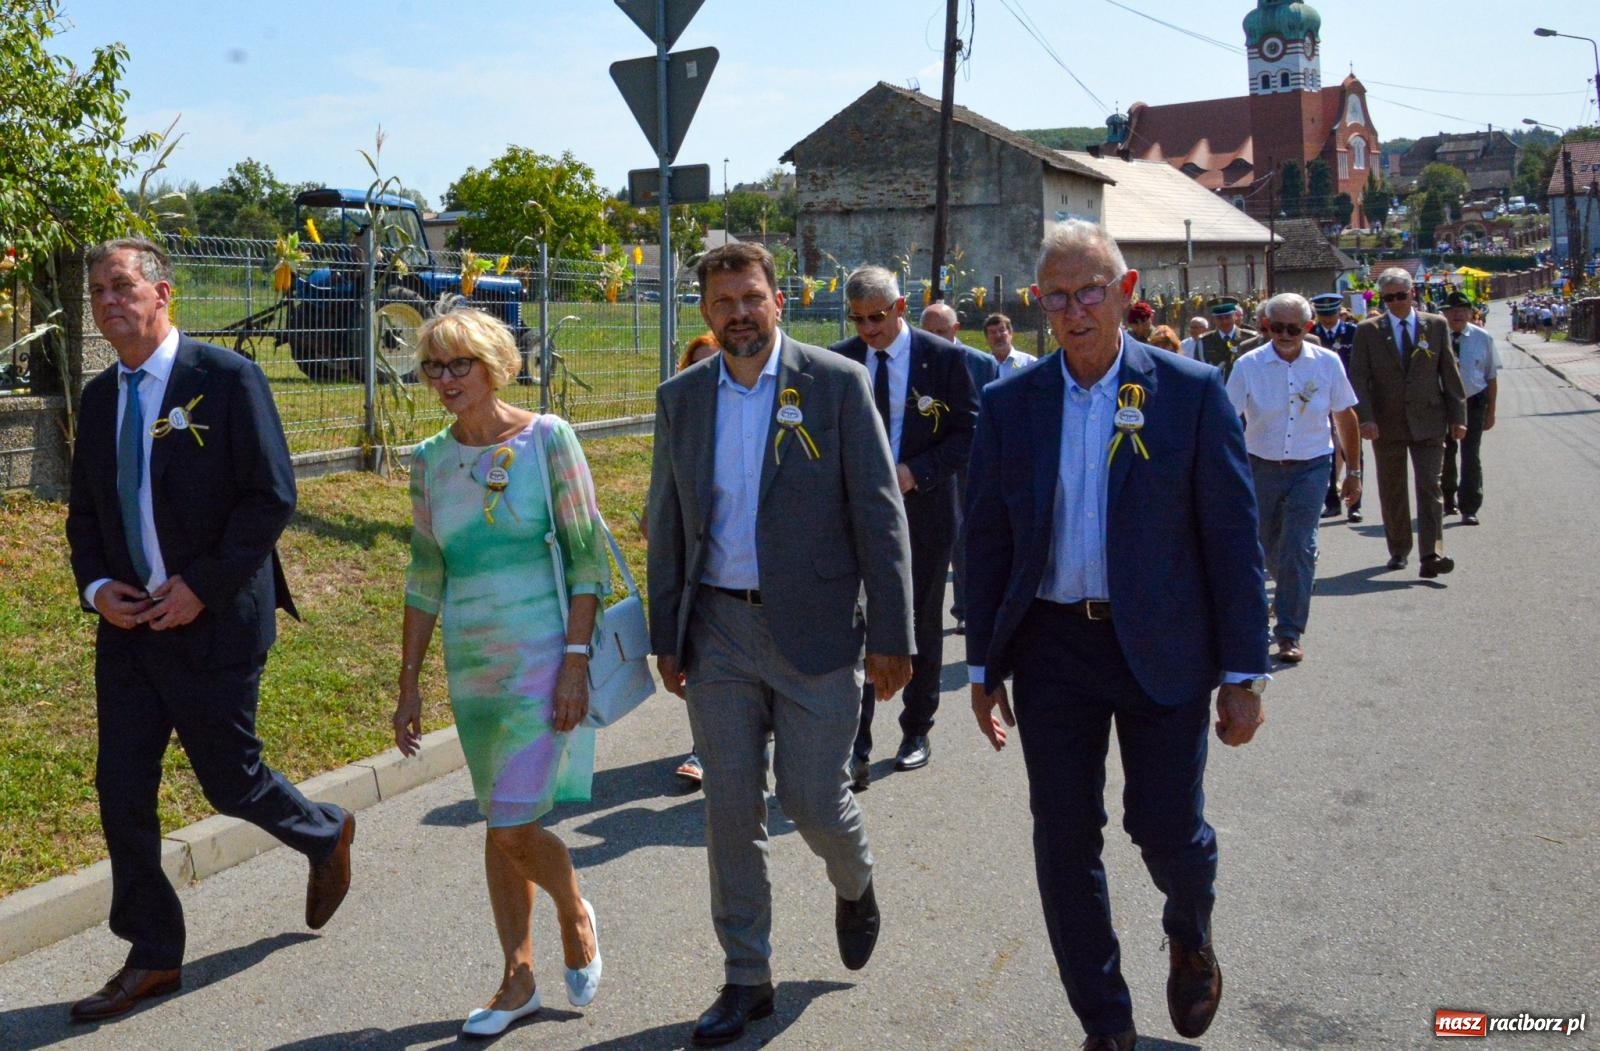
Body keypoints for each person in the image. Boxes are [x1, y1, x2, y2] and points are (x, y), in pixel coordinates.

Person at [965, 220, 1269, 1051]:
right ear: (1040, 306)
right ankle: (1107, 1020)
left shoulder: (1190, 391)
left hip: (1165, 646)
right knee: (1064, 839)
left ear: (1127, 294)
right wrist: (982, 665)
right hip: (1053, 650)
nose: (1073, 310)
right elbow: (986, 536)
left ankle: (1188, 922)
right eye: (1056, 296)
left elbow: (1233, 539)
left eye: (1089, 290)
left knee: (1165, 827)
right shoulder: (1010, 403)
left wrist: (1245, 671)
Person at [64, 238, 354, 1023]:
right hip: (129, 631)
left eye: (120, 286)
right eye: (96, 291)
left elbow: (271, 496)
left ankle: (324, 832)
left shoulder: (223, 379)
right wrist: (96, 589)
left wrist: (200, 586)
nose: (107, 301)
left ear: (163, 293)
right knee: (122, 789)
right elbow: (84, 516)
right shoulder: (97, 399)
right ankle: (153, 952)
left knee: (230, 780)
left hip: (213, 621)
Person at [646, 242, 914, 1047]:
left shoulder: (834, 385)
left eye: (751, 298)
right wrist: (668, 633)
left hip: (817, 631)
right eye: (723, 301)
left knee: (810, 797)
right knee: (730, 809)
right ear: (705, 312)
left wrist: (895, 634)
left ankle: (855, 876)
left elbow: (879, 513)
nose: (739, 313)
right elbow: (667, 520)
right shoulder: (682, 397)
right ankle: (746, 977)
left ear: (778, 302)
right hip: (719, 631)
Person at [395, 306, 604, 1036]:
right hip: (473, 664)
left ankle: (572, 906)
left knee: (514, 824)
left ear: (495, 365)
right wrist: (409, 681)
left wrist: (575, 662)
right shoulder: (427, 459)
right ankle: (517, 978)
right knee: (499, 817)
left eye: (462, 365)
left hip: (544, 657)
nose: (447, 379)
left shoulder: (549, 439)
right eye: (435, 367)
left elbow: (587, 562)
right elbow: (426, 577)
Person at [833, 268, 977, 786]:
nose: (869, 329)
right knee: (860, 625)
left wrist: (917, 472)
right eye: (859, 319)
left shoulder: (945, 359)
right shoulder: (839, 360)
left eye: (877, 317)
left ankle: (917, 728)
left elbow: (967, 434)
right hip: (856, 517)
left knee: (918, 623)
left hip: (924, 511)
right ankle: (857, 741)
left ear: (900, 309)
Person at [1225, 293, 1362, 663]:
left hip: (1312, 465)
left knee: (1299, 546)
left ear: (1307, 327)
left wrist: (1354, 472)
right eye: (1277, 327)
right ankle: (1288, 586)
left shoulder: (1327, 363)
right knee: (1269, 548)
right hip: (1261, 466)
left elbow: (1345, 416)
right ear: (1266, 326)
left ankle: (1288, 631)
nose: (1284, 335)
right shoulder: (1248, 365)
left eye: (1293, 328)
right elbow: (1226, 421)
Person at [1347, 268, 1467, 577]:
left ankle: (1432, 554)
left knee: (1431, 486)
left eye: (1401, 296)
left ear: (1412, 294)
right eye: (1388, 298)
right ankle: (1399, 549)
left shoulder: (1435, 325)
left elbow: (1450, 374)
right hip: (1387, 425)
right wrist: (1366, 418)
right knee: (1392, 490)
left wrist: (1459, 416)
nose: (1395, 303)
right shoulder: (1369, 330)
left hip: (1429, 419)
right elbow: (1359, 378)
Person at [920, 301, 999, 639]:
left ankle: (969, 608)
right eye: (929, 332)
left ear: (956, 330)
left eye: (941, 332)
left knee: (970, 535)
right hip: (929, 463)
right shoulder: (916, 361)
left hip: (972, 462)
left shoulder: (981, 364)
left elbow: (993, 416)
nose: (935, 339)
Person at [1439, 291, 1500, 525]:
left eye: (1462, 310)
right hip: (1443, 403)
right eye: (1451, 310)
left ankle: (1470, 506)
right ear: (1443, 313)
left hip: (1474, 402)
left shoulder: (1482, 338)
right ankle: (1447, 499)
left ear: (1470, 312)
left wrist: (1491, 412)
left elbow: (1491, 377)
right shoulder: (1435, 336)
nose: (1457, 314)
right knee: (1446, 453)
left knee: (1471, 454)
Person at [1310, 292, 1363, 522]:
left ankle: (1355, 504)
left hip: (1348, 397)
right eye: (1323, 314)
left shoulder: (1353, 332)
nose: (1328, 319)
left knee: (1352, 449)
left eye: (1331, 313)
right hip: (1320, 398)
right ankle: (1331, 501)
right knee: (1328, 449)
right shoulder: (1310, 335)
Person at [1196, 299, 1256, 380]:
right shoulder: (1204, 341)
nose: (1224, 322)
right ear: (1214, 319)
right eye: (1219, 318)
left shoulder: (1250, 338)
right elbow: (1201, 371)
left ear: (1235, 316)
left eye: (1228, 317)